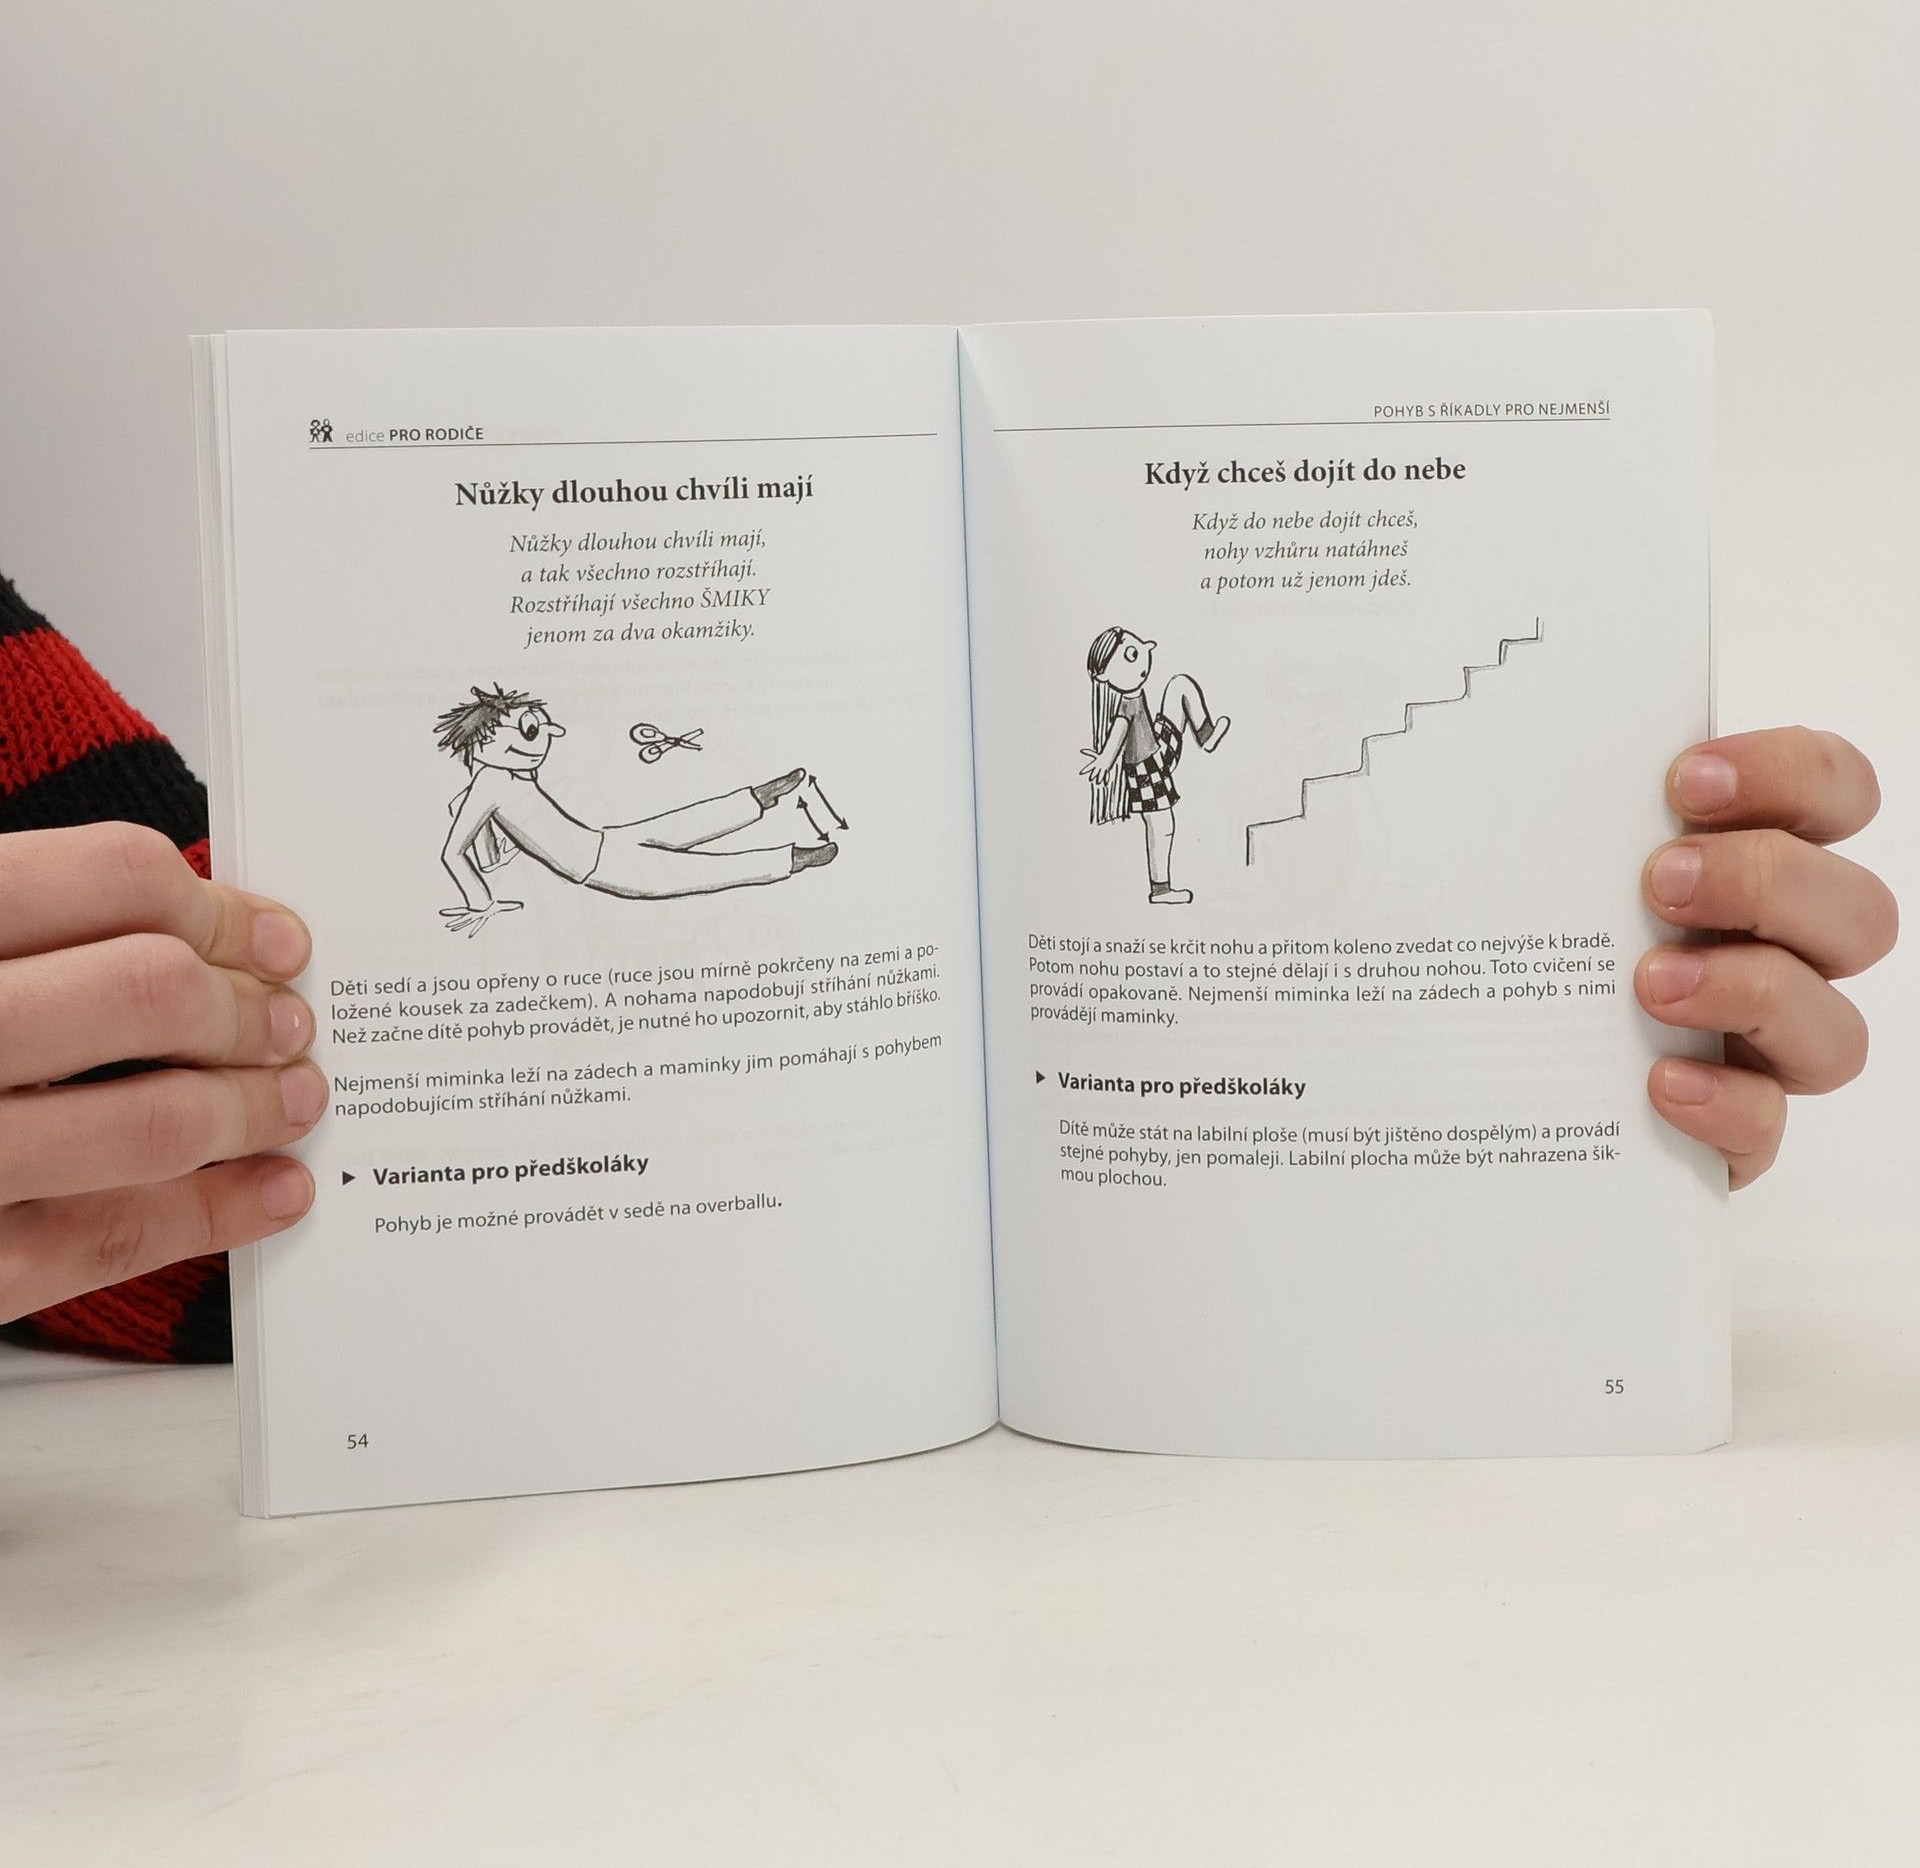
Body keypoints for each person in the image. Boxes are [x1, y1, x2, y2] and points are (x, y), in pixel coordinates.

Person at [0, 575, 1900, 1350]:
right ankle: (798, 821)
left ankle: (797, 815)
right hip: (594, 966)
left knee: (695, 840)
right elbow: (201, 1135)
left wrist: (1484, 1060)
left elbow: (170, 1086)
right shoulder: (504, 798)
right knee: (686, 853)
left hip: (562, 1016)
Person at [435, 683, 833, 935]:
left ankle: (761, 797)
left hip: (602, 843)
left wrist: (495, 851)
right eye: (531, 729)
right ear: (487, 741)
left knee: (681, 826)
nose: (549, 735)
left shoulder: (497, 776)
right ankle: (790, 858)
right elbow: (452, 852)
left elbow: (484, 840)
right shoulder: (492, 781)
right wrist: (481, 903)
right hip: (600, 867)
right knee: (701, 871)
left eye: (541, 725)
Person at [1082, 626, 1231, 904]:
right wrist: (1104, 760)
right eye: (1131, 655)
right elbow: (1118, 733)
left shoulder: (1133, 697)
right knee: (1162, 824)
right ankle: (1160, 889)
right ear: (1104, 676)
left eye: (1141, 650)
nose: (1142, 660)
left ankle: (1206, 735)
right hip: (1147, 771)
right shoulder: (1126, 706)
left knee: (1180, 685)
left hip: (1159, 750)